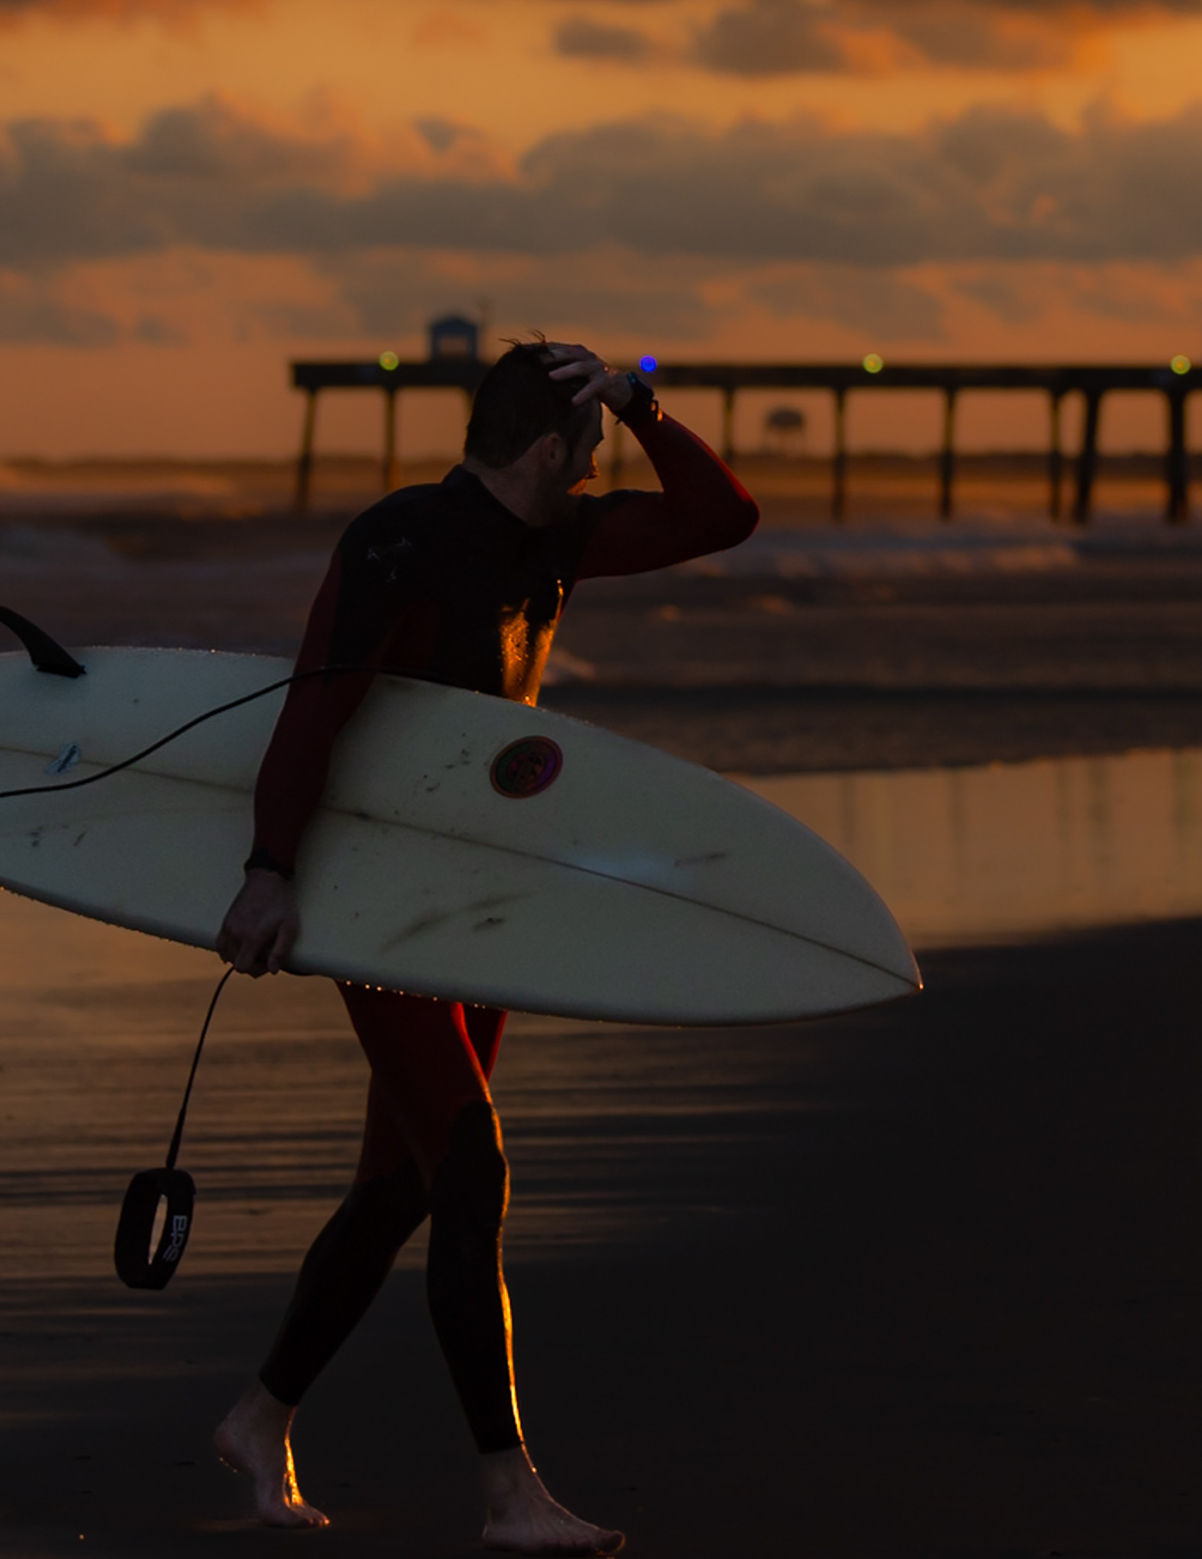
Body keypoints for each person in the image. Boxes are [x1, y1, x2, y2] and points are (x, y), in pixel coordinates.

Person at [212, 339, 758, 1552]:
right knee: (470, 1170)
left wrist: (644, 404)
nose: (602, 461)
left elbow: (724, 516)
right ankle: (509, 1495)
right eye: (595, 444)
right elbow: (316, 703)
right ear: (548, 449)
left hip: (475, 888)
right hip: (377, 889)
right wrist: (268, 874)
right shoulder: (401, 539)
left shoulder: (554, 542)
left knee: (405, 1181)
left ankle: (260, 1415)